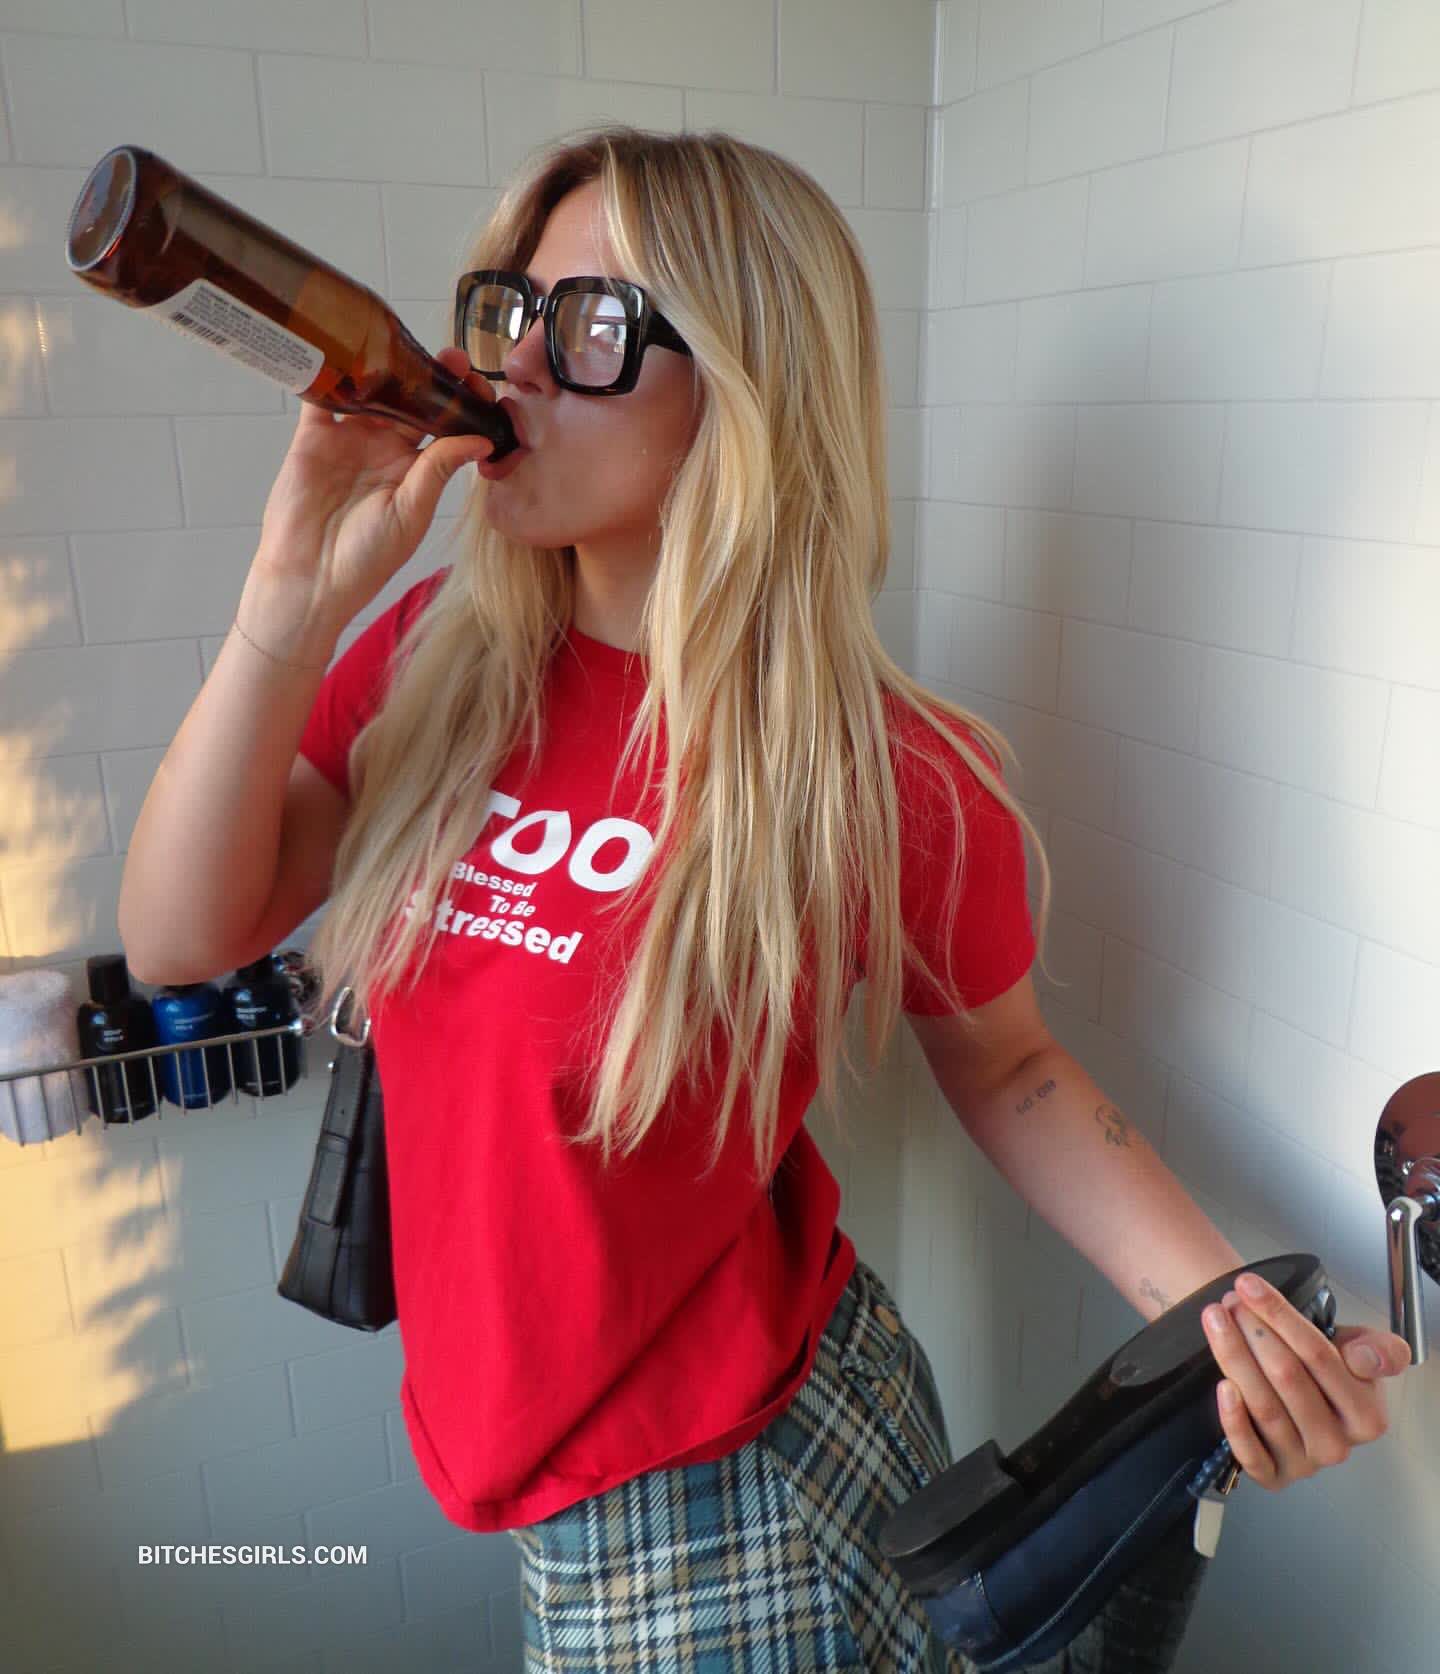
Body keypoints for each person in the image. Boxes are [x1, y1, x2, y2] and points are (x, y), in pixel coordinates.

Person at [118, 125, 1411, 1673]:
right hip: (546, 1490)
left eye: (594, 322)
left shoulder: (877, 768)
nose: (515, 362)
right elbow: (178, 939)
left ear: (743, 383)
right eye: (512, 307)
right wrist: (288, 599)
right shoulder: (432, 668)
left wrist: (1231, 1322)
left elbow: (1009, 1064)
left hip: (740, 1505)